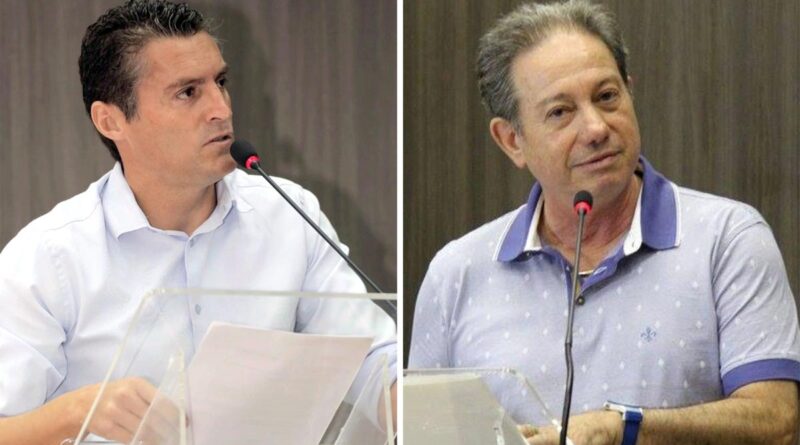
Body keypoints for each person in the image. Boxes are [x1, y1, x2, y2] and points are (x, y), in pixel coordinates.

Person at [0, 1, 396, 443]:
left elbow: (373, 361)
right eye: (188, 92)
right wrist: (77, 412)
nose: (221, 109)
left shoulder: (289, 216)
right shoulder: (47, 258)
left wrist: (419, 404)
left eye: (220, 83)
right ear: (110, 120)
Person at [408, 1, 799, 444]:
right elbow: (424, 434)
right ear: (512, 140)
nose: (596, 128)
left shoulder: (727, 239)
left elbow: (776, 422)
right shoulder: (457, 272)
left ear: (630, 93)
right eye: (561, 112)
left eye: (607, 97)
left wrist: (624, 428)